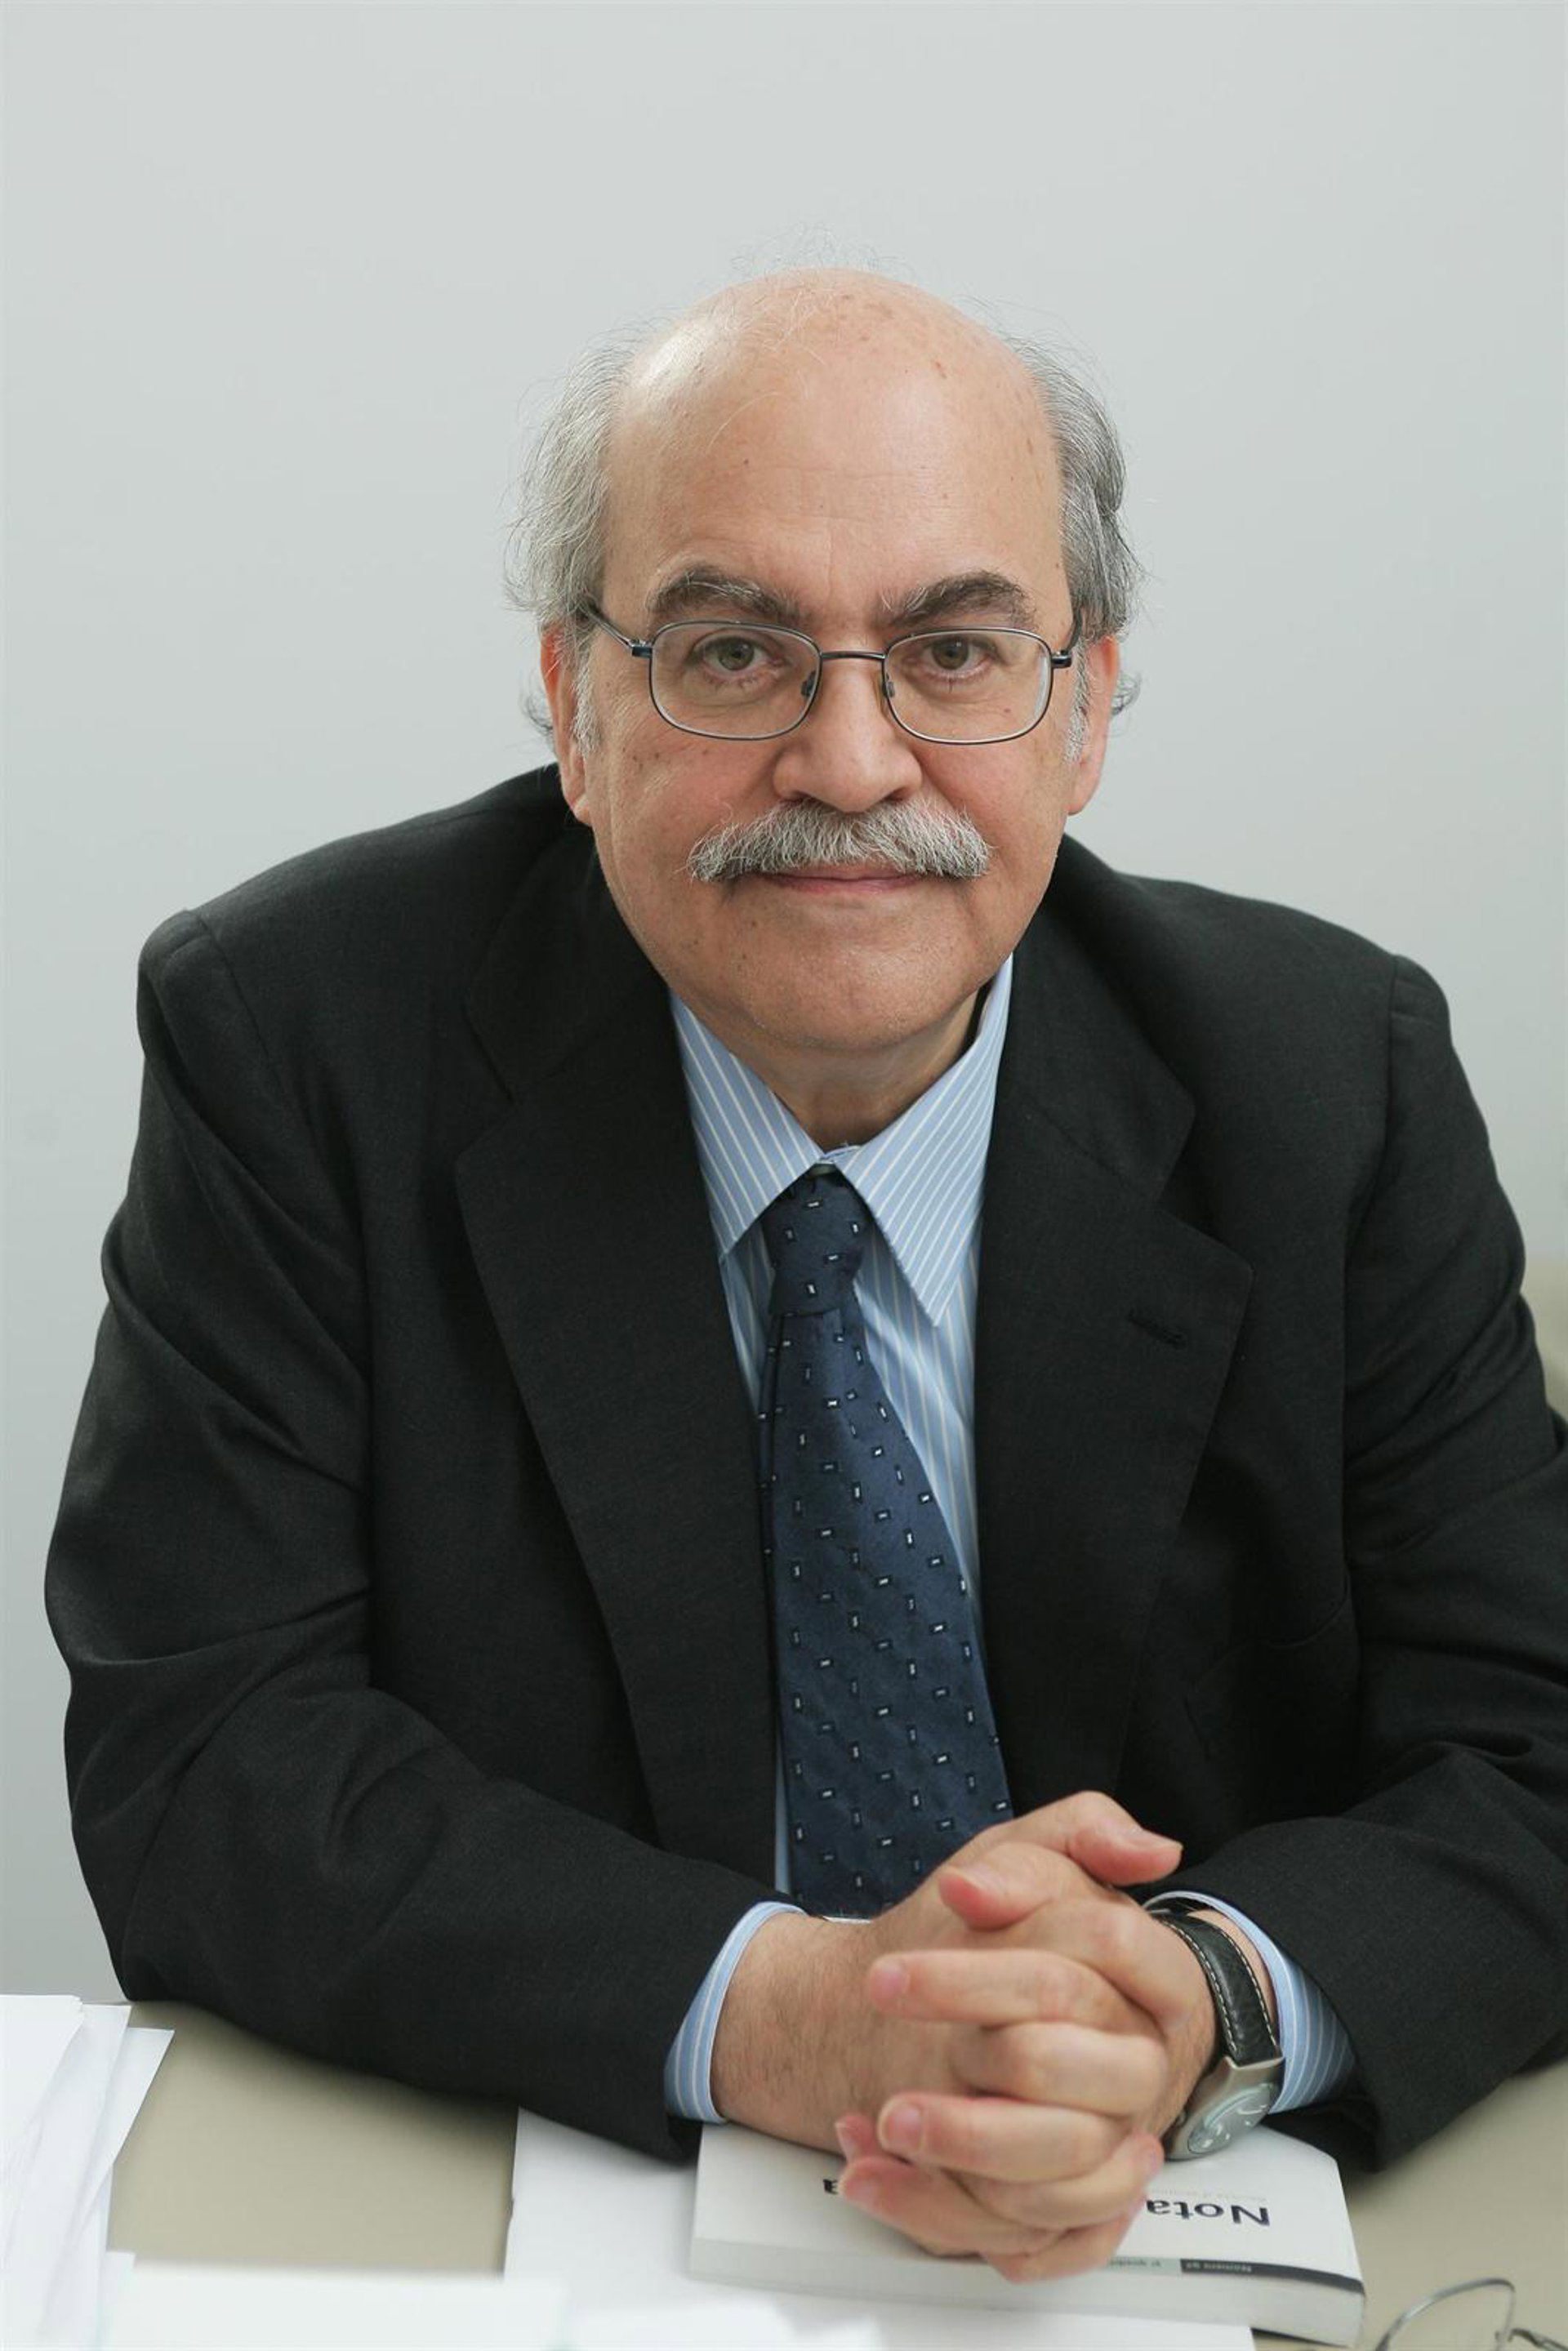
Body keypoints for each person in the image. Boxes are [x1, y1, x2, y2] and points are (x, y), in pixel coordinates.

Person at [47, 269, 1568, 2286]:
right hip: (538, 2229)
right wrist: (793, 2017)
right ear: (574, 707)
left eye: (954, 651)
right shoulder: (299, 1040)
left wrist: (1188, 2005)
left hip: (1175, 2249)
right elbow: (207, 1757)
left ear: (1084, 710)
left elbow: (1536, 1745)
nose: (852, 763)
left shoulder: (1330, 1082)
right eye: (734, 652)